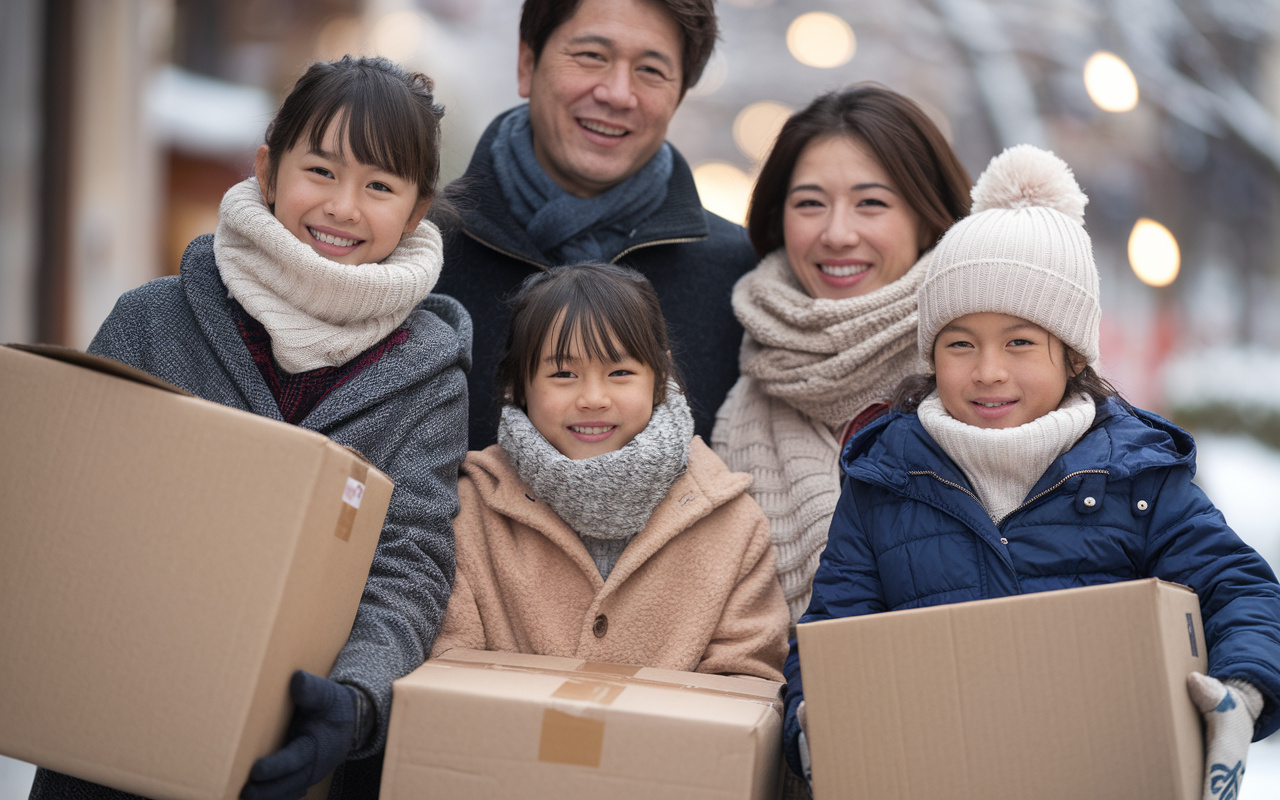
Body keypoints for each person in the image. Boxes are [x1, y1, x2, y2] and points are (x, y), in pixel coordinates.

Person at [29, 57, 470, 800]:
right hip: (103, 737)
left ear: (416, 210)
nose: (343, 207)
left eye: (379, 186)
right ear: (268, 171)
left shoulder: (428, 379)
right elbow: (65, 511)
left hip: (280, 746)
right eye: (320, 170)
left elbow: (409, 562)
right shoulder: (152, 320)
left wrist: (353, 700)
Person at [781, 145, 1280, 800]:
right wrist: (814, 720)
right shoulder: (886, 481)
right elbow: (833, 632)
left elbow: (1239, 588)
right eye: (960, 344)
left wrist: (1242, 692)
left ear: (1072, 356)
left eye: (1020, 342)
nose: (988, 370)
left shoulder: (1139, 478)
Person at [430, 263, 789, 682]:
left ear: (659, 377)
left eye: (620, 373)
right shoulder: (469, 510)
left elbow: (746, 680)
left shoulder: (731, 522)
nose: (593, 398)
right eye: (563, 374)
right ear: (521, 384)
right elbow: (448, 675)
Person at [434, 0, 756, 451]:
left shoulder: (741, 280)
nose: (618, 94)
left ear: (680, 94)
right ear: (527, 62)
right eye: (591, 56)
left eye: (651, 70)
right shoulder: (417, 252)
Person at [711, 85, 972, 624]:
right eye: (810, 203)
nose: (836, 234)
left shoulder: (991, 369)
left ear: (929, 217)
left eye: (871, 203)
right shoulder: (743, 392)